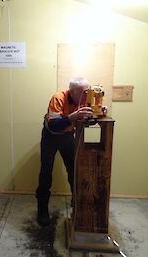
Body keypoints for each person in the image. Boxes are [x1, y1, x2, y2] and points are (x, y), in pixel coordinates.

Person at [35, 78, 93, 227]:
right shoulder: (58, 98)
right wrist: (72, 117)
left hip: (67, 135)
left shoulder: (86, 98)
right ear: (72, 91)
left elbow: (87, 119)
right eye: (84, 92)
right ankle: (42, 211)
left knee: (74, 170)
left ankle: (78, 205)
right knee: (46, 173)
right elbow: (54, 125)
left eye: (88, 91)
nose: (87, 95)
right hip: (51, 136)